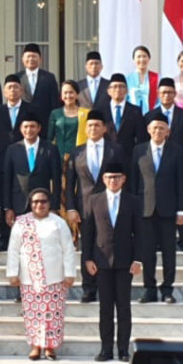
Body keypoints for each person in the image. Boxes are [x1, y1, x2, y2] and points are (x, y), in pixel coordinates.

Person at [81, 163, 143, 362]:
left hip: (125, 261)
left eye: (117, 177)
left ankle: (123, 349)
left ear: (124, 179)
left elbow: (141, 234)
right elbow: (88, 232)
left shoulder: (133, 201)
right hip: (101, 261)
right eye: (109, 177)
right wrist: (87, 259)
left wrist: (138, 259)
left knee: (123, 307)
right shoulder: (94, 200)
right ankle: (105, 349)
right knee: (105, 307)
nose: (113, 181)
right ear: (104, 179)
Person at [6, 189, 76, 360]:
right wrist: (13, 273)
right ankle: (35, 346)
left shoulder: (58, 223)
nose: (39, 205)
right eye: (35, 202)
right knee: (33, 313)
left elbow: (68, 249)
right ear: (30, 204)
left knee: (53, 314)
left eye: (43, 201)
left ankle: (50, 348)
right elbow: (13, 249)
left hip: (55, 276)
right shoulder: (21, 223)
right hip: (30, 277)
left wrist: (69, 273)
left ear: (49, 203)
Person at [65, 111, 124, 303]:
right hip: (85, 208)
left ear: (105, 128)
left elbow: (123, 179)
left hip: (110, 206)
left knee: (108, 244)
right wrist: (71, 208)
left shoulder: (115, 150)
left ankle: (108, 286)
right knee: (87, 246)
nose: (93, 129)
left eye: (97, 125)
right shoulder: (76, 152)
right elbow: (70, 183)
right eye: (90, 125)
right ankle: (89, 288)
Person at [131, 114, 183, 304]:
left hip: (168, 210)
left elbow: (181, 181)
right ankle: (149, 289)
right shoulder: (138, 151)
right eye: (154, 128)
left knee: (169, 252)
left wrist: (181, 210)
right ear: (148, 130)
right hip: (144, 210)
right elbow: (133, 182)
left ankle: (168, 289)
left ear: (168, 131)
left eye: (162, 128)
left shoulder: (176, 150)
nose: (158, 132)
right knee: (147, 252)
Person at [145, 78, 183, 252]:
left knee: (181, 201)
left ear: (175, 94)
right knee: (159, 202)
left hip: (179, 165)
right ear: (158, 94)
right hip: (157, 166)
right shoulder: (150, 116)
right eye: (163, 92)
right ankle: (159, 240)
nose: (166, 95)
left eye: (169, 92)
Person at [1, 112, 62, 249]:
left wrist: (54, 206)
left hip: (43, 203)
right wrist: (7, 207)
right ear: (21, 129)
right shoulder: (12, 149)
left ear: (39, 128)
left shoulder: (50, 149)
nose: (29, 130)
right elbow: (7, 179)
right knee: (22, 245)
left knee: (43, 243)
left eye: (33, 127)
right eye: (26, 127)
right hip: (19, 203)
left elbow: (56, 179)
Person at [102, 74, 146, 157]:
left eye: (121, 87)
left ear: (126, 90)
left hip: (128, 157)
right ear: (108, 91)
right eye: (114, 86)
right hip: (105, 157)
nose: (118, 89)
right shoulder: (101, 111)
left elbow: (141, 137)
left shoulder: (135, 111)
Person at [19, 43, 61, 129]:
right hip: (23, 124)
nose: (31, 59)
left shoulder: (49, 77)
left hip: (44, 123)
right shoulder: (17, 78)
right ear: (23, 59)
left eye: (34, 56)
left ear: (40, 59)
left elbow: (55, 102)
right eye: (28, 56)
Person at [0, 74, 27, 162]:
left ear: (21, 90)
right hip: (2, 156)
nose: (12, 90)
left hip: (24, 156)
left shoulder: (30, 109)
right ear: (4, 92)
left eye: (15, 87)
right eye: (9, 87)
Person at [48, 80, 89, 159]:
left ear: (77, 94)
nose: (68, 95)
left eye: (71, 92)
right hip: (59, 156)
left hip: (81, 156)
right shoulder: (55, 114)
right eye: (65, 93)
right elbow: (49, 138)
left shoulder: (86, 114)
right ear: (61, 96)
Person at [126, 45, 160, 112]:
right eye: (139, 57)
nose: (142, 59)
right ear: (134, 59)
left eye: (144, 56)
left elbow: (160, 99)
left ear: (149, 58)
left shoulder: (157, 78)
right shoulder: (127, 79)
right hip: (131, 115)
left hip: (151, 115)